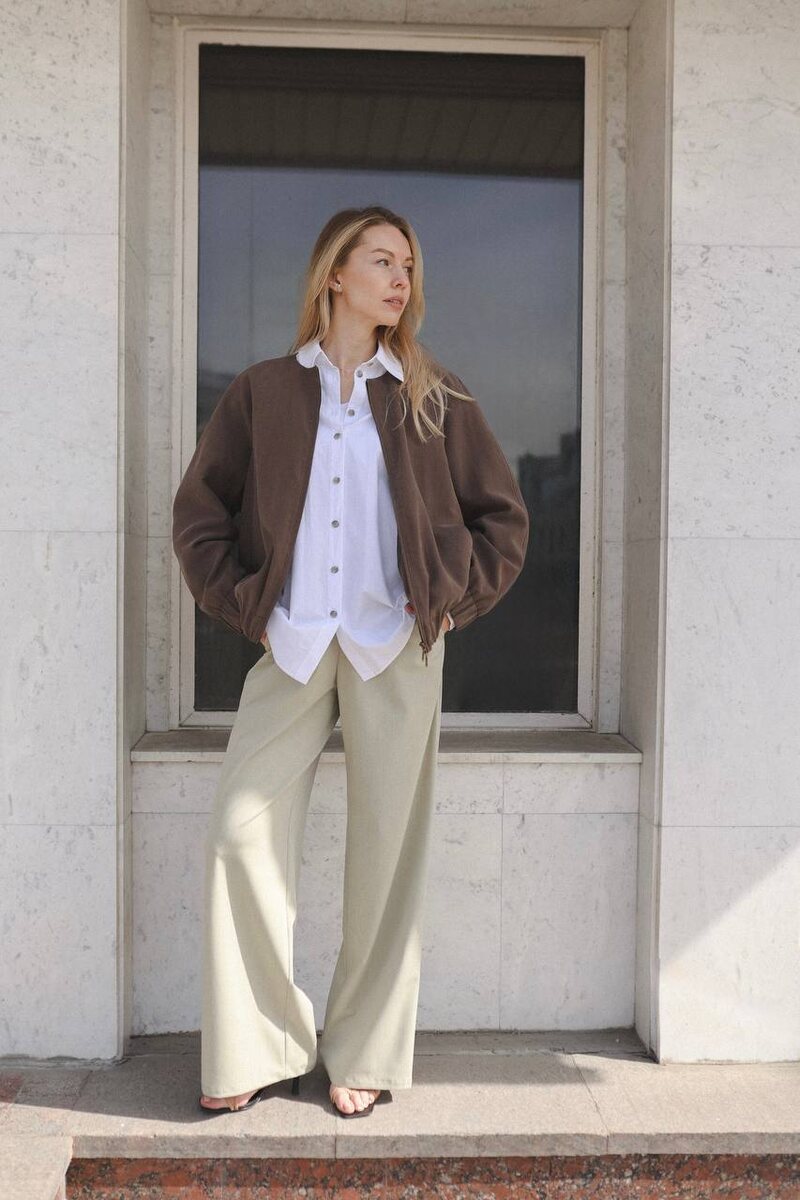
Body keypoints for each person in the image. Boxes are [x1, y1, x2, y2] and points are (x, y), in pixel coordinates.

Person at [172, 205, 529, 1118]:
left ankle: (362, 1050)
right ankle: (257, 1046)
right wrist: (245, 604)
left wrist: (448, 601)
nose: (400, 278)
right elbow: (200, 513)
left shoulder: (433, 393)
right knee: (239, 834)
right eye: (381, 261)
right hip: (293, 645)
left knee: (386, 858)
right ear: (335, 274)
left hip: (394, 649)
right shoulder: (263, 391)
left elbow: (502, 520)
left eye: (407, 264)